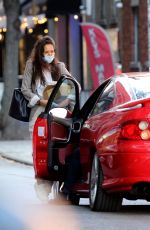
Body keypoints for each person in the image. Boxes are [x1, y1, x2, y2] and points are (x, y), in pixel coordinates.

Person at [21, 35, 81, 202]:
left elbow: (75, 85)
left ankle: (55, 181)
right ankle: (41, 184)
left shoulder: (59, 66)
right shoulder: (32, 66)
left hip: (57, 113)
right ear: (40, 53)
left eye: (52, 51)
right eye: (46, 52)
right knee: (40, 150)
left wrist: (66, 98)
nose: (50, 54)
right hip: (39, 112)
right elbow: (25, 90)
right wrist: (41, 101)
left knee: (55, 149)